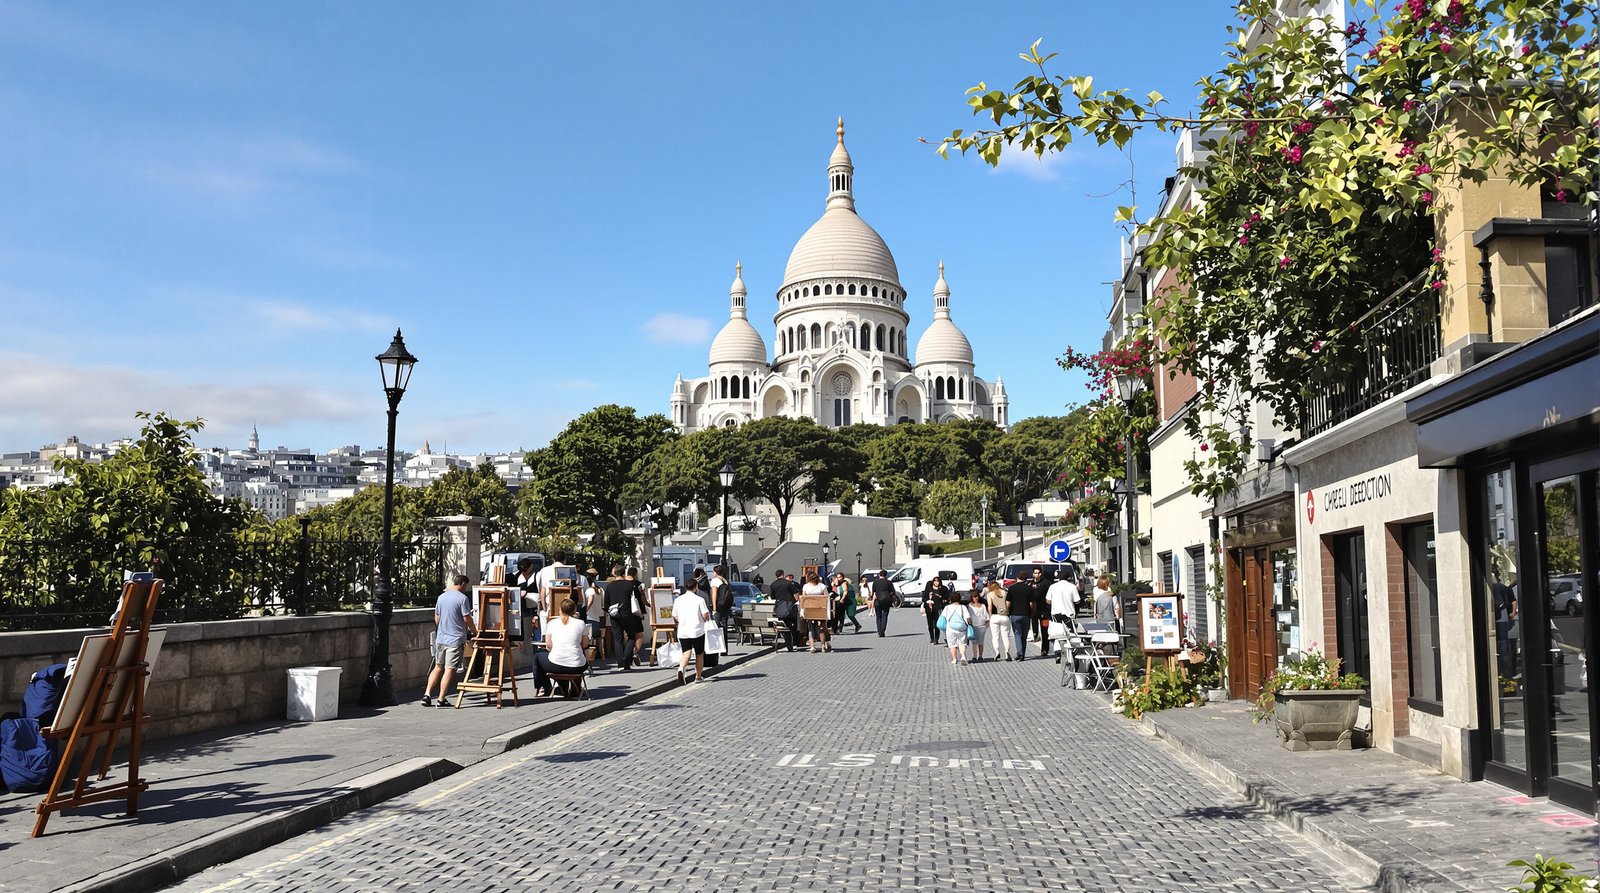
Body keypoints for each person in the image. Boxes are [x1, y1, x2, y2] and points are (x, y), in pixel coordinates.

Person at [421, 574, 476, 707]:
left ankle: (427, 695)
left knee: (438, 667)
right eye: (465, 585)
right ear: (462, 583)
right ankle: (441, 699)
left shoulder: (442, 597)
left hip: (441, 638)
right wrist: (475, 632)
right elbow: (466, 618)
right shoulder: (462, 599)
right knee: (450, 669)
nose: (465, 588)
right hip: (455, 639)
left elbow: (437, 617)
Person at [535, 596, 589, 697]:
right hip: (577, 666)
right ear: (575, 610)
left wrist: (554, 650)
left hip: (556, 664)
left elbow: (549, 645)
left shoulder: (552, 623)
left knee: (538, 657)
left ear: (560, 610)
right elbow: (585, 645)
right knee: (578, 658)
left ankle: (546, 688)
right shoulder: (581, 623)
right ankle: (575, 687)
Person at [604, 565, 646, 670]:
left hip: (614, 615)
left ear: (615, 573)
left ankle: (620, 664)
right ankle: (627, 661)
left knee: (618, 639)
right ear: (624, 573)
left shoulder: (609, 586)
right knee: (631, 637)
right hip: (627, 614)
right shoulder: (629, 585)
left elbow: (606, 603)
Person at [673, 577, 712, 684]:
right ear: (696, 587)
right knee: (699, 654)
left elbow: (674, 615)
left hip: (683, 631)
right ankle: (698, 676)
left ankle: (681, 668)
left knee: (686, 653)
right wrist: (706, 619)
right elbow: (705, 615)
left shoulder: (678, 600)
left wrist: (682, 620)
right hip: (697, 631)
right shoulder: (699, 600)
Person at [1045, 573, 1080, 658]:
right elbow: (1077, 600)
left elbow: (1048, 600)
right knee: (1070, 633)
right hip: (1069, 613)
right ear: (1068, 578)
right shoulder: (1072, 587)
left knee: (1057, 633)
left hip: (1056, 613)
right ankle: (1070, 650)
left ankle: (1057, 652)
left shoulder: (1053, 586)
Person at [768, 569, 801, 651]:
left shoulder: (773, 584)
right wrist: (796, 601)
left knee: (783, 626)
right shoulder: (788, 583)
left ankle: (788, 643)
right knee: (792, 626)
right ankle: (793, 643)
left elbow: (772, 596)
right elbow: (796, 594)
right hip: (789, 606)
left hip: (779, 608)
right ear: (783, 574)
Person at [939, 592, 975, 666]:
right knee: (962, 643)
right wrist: (970, 625)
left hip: (950, 628)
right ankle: (963, 656)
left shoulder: (947, 607)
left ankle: (954, 659)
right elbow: (968, 618)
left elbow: (942, 618)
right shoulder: (963, 607)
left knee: (952, 644)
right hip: (962, 628)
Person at [1006, 573, 1034, 660]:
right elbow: (1032, 603)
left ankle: (1020, 653)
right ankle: (1023, 654)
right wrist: (1032, 612)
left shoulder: (1012, 588)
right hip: (1026, 614)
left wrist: (1008, 611)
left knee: (1017, 634)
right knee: (1024, 636)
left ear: (1017, 578)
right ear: (1026, 579)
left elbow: (1008, 602)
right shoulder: (1030, 589)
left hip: (1015, 614)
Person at [802, 571, 832, 653]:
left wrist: (803, 610)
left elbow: (803, 598)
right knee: (821, 628)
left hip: (810, 608)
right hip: (820, 608)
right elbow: (826, 597)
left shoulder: (805, 586)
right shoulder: (821, 586)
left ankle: (812, 647)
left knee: (811, 628)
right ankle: (822, 646)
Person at [984, 580, 1014, 661]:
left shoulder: (990, 594)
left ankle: (997, 652)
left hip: (995, 616)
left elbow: (989, 606)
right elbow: (1008, 603)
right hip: (1005, 616)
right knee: (1006, 636)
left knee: (995, 637)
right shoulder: (1004, 592)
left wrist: (990, 616)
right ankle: (1007, 652)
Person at [1028, 568, 1050, 653]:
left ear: (1041, 574)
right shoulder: (1030, 583)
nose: (1036, 575)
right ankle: (1035, 635)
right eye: (1035, 573)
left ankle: (1044, 649)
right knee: (1034, 625)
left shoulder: (1046, 583)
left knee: (1045, 630)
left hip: (1044, 610)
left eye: (1038, 573)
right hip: (1033, 610)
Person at [922, 576, 950, 644]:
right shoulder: (929, 588)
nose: (936, 583)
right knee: (930, 624)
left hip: (938, 608)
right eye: (935, 581)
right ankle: (931, 638)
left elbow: (947, 598)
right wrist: (927, 601)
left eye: (938, 581)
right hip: (929, 608)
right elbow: (924, 598)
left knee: (937, 624)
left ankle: (936, 639)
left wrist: (943, 600)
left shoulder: (943, 589)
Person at [967, 585, 991, 661]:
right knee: (974, 642)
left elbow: (986, 615)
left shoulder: (983, 606)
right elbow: (968, 616)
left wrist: (987, 622)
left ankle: (980, 655)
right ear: (972, 598)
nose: (976, 598)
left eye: (977, 596)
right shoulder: (969, 606)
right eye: (974, 597)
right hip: (973, 625)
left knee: (980, 641)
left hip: (982, 626)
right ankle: (974, 656)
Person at [870, 570, 896, 637]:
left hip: (878, 601)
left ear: (879, 575)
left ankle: (879, 631)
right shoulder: (889, 582)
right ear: (886, 575)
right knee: (885, 615)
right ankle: (882, 630)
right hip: (886, 601)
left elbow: (873, 593)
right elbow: (893, 592)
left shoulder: (875, 582)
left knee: (878, 616)